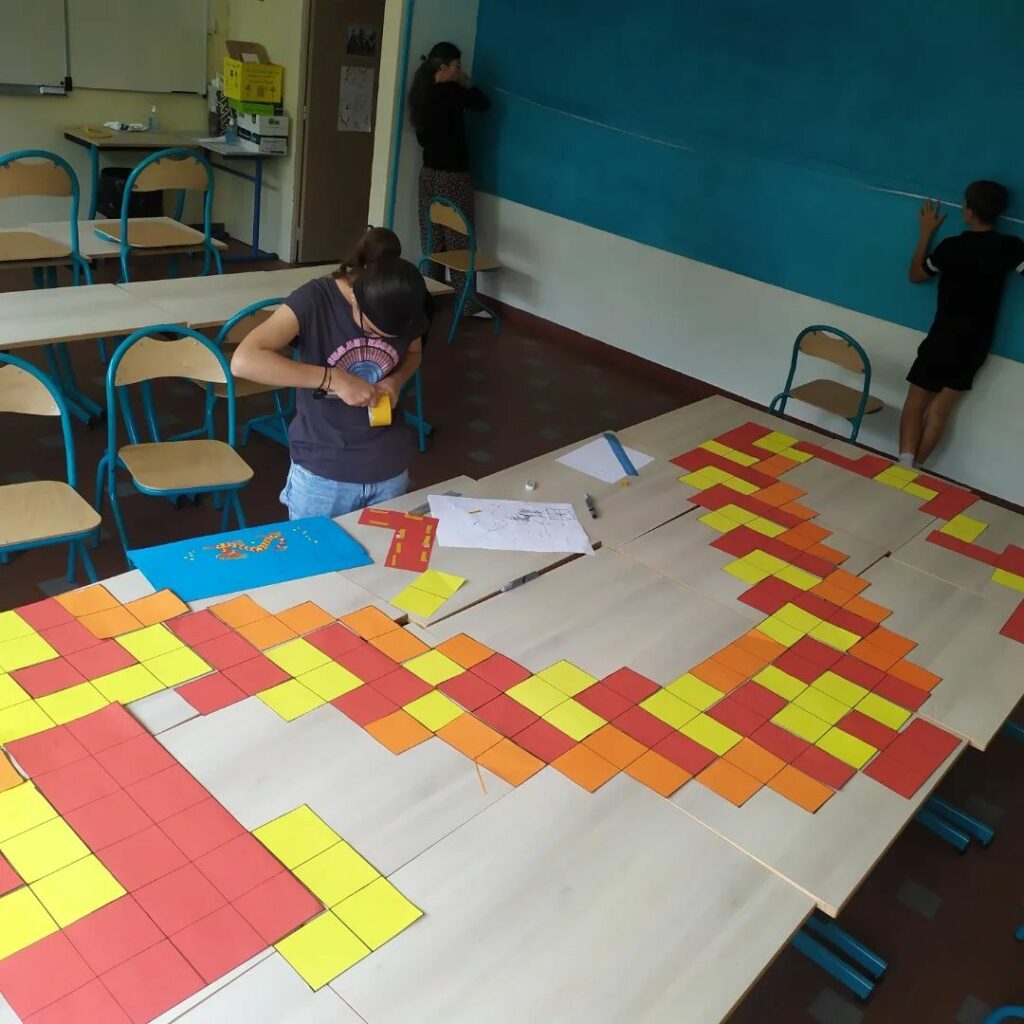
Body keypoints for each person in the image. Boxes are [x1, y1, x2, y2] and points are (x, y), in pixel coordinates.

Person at [231, 227, 430, 519]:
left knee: (380, 550)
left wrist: (396, 380)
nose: (380, 339)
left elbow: (413, 353)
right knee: (315, 549)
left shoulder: (404, 302)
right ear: (355, 300)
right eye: (372, 330)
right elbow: (244, 360)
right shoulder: (315, 299)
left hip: (388, 466)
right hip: (323, 470)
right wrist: (334, 379)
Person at [900, 181, 1024, 467]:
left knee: (917, 401)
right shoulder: (1010, 247)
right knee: (940, 409)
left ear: (968, 211)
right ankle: (915, 469)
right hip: (976, 343)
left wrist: (926, 232)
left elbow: (916, 275)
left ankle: (904, 463)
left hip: (943, 335)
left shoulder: (951, 247)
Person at [408, 41, 490, 310]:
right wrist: (466, 84)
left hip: (428, 175)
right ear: (444, 66)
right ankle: (466, 304)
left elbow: (423, 138)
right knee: (459, 239)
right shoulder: (452, 93)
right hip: (453, 177)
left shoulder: (422, 92)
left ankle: (430, 296)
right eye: (457, 65)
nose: (461, 69)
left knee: (432, 237)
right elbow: (483, 103)